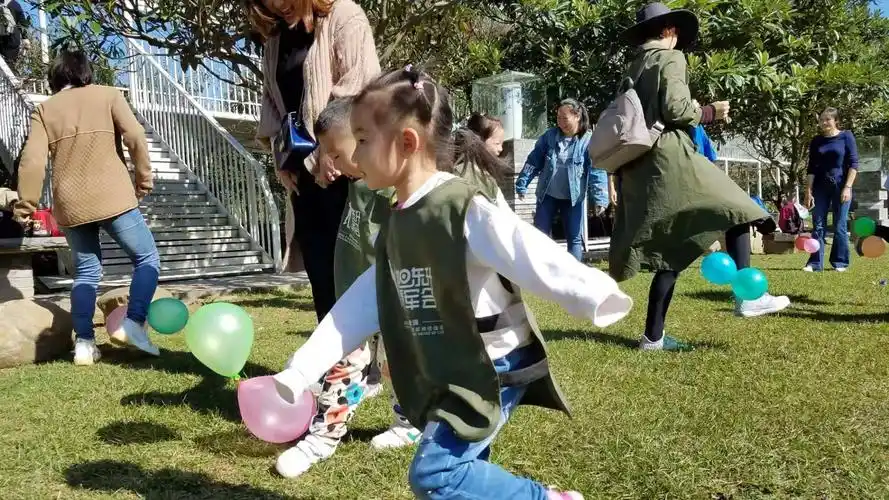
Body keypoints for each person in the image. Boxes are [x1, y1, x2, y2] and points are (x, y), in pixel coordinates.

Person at [273, 68, 634, 499]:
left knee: (437, 475)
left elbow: (526, 250)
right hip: (450, 367)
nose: (355, 155)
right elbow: (361, 302)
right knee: (465, 467)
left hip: (492, 367)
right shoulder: (395, 223)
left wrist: (594, 293)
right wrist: (302, 368)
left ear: (407, 143)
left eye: (364, 140)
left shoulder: (457, 207)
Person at [612, 3, 790, 351]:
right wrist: (710, 111)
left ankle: (653, 338)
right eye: (675, 32)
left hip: (641, 164)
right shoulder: (670, 59)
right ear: (668, 31)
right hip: (671, 159)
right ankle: (748, 298)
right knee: (739, 207)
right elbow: (677, 109)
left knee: (674, 250)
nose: (677, 38)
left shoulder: (633, 66)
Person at [275, 97, 421, 479]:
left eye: (335, 154)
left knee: (398, 367)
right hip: (353, 304)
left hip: (395, 302)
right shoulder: (356, 181)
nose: (330, 163)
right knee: (343, 369)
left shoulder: (395, 190)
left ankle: (409, 424)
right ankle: (323, 436)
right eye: (327, 154)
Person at [14, 50, 160, 365]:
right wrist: (143, 181)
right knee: (146, 257)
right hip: (114, 196)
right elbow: (135, 136)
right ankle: (133, 322)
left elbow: (32, 161)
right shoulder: (109, 95)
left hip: (70, 203)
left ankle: (83, 344)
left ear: (55, 78)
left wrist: (25, 206)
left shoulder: (44, 111)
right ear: (86, 74)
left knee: (86, 271)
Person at [246, 0, 380, 321]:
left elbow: (361, 89)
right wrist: (281, 160)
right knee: (321, 277)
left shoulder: (344, 16)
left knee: (357, 272)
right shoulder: (275, 42)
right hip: (304, 179)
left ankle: (370, 363)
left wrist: (327, 151)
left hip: (344, 172)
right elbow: (272, 103)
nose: (277, 5)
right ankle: (336, 367)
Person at [515, 99, 601, 260]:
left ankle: (574, 276)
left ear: (577, 116)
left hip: (572, 199)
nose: (560, 122)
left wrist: (599, 198)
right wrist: (522, 183)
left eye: (565, 118)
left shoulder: (588, 140)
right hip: (547, 195)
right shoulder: (549, 137)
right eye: (558, 118)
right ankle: (542, 271)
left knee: (574, 238)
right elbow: (533, 161)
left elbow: (597, 170)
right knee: (540, 236)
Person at [802, 107, 859, 272]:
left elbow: (854, 163)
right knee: (818, 225)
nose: (824, 122)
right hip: (820, 187)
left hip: (841, 186)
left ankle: (840, 262)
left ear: (836, 121)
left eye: (827, 119)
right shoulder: (817, 141)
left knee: (840, 224)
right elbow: (811, 168)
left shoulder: (846, 136)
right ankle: (814, 263)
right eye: (821, 120)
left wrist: (847, 187)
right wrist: (808, 191)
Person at [0, 0, 28, 68]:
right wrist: (25, 38)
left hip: (2, 40)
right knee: (9, 67)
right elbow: (22, 22)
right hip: (12, 40)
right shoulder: (14, 4)